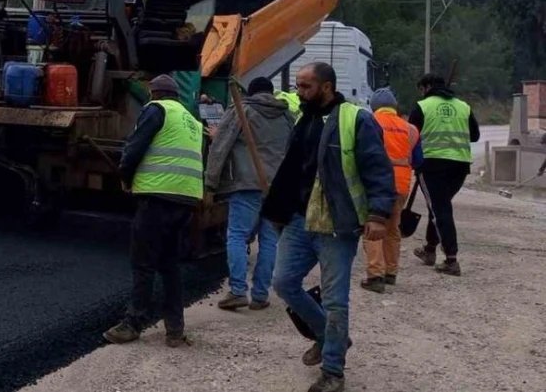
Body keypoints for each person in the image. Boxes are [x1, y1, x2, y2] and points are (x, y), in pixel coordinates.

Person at [262, 62, 396, 392]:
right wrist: (278, 210)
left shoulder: (357, 119)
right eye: (298, 85)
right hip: (300, 219)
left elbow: (378, 169)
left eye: (305, 86)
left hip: (338, 225)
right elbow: (293, 169)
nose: (299, 92)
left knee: (336, 300)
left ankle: (333, 371)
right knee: (283, 282)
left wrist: (378, 215)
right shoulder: (303, 118)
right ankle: (327, 335)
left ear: (326, 87)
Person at [103, 74, 204, 348]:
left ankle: (133, 323)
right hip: (186, 198)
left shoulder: (156, 110)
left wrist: (124, 175)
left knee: (143, 262)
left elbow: (135, 146)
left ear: (154, 94)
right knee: (169, 264)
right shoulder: (192, 120)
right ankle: (175, 329)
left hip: (157, 196)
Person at [206, 76, 295, 311]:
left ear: (252, 93)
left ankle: (237, 291)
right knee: (270, 240)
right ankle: (260, 294)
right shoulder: (287, 116)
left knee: (237, 235)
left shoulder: (242, 110)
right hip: (277, 187)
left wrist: (211, 181)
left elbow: (221, 145)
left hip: (246, 183)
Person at [409, 72, 480, 276]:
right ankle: (429, 250)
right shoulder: (463, 106)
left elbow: (411, 136)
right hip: (459, 166)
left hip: (432, 165)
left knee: (440, 209)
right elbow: (474, 136)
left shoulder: (422, 106)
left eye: (422, 89)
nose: (421, 93)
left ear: (428, 87)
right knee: (440, 207)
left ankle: (451, 259)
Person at [361, 88, 423, 293]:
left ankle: (375, 275)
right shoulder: (410, 129)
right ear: (394, 106)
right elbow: (418, 160)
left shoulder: (369, 122)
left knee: (373, 227)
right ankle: (391, 272)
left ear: (373, 106)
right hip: (401, 185)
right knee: (392, 229)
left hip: (375, 185)